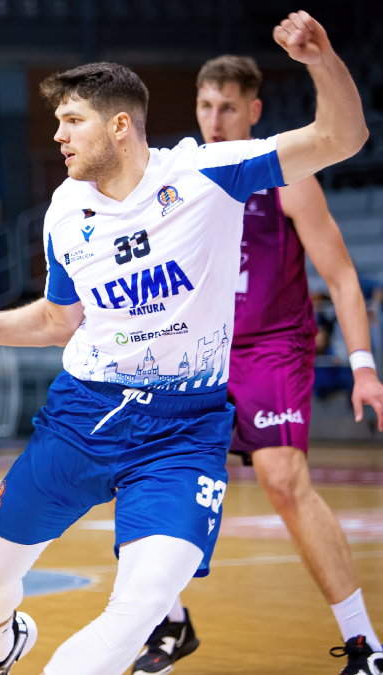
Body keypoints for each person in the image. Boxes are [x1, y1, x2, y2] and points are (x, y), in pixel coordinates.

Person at [0, 12, 369, 675]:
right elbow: (59, 321)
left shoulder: (209, 172)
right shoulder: (65, 209)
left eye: (72, 120)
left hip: (184, 430)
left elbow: (342, 136)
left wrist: (320, 60)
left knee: (139, 607)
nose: (57, 134)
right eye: (57, 121)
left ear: (120, 125)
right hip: (83, 415)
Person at [133, 55, 383, 675]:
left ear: (254, 113)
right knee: (140, 472)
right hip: (201, 352)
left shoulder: (289, 179)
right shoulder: (182, 177)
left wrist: (362, 365)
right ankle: (171, 623)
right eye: (205, 107)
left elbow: (343, 276)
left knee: (280, 477)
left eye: (227, 108)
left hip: (273, 345)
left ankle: (364, 645)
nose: (214, 120)